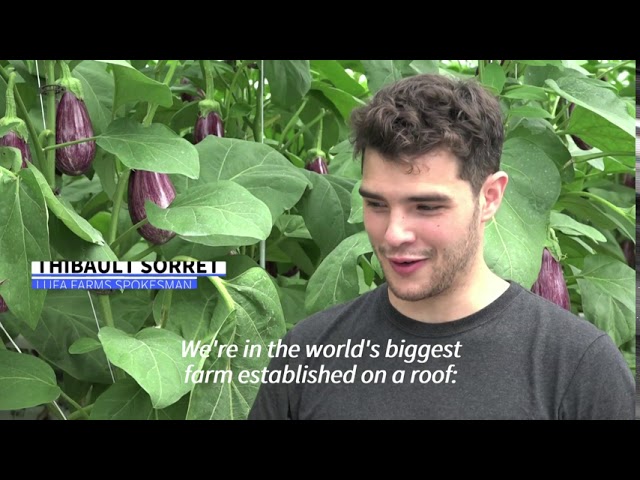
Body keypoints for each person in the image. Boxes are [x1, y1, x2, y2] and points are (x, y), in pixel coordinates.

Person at [248, 73, 635, 420]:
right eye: (376, 204)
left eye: (426, 206)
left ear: (490, 197)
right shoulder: (309, 352)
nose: (394, 233)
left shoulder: (578, 367)